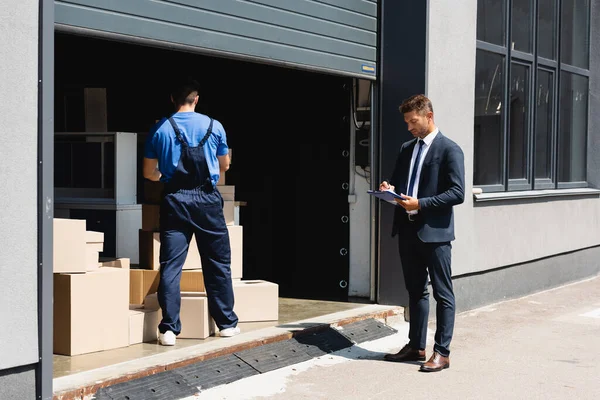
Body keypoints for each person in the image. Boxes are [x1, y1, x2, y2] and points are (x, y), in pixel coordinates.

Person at [143, 78, 239, 345]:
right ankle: (227, 324)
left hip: (175, 199)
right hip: (207, 200)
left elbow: (148, 173)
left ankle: (169, 330)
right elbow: (225, 166)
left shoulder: (159, 129)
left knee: (172, 266)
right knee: (217, 263)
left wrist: (165, 174)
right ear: (196, 99)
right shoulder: (214, 125)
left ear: (172, 99)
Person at [380, 94, 464, 372]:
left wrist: (422, 204)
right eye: (406, 122)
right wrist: (387, 189)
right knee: (415, 292)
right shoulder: (407, 148)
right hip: (407, 230)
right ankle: (416, 346)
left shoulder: (450, 149)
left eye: (413, 121)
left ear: (429, 116)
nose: (409, 127)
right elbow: (400, 182)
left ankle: (442, 352)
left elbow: (457, 192)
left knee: (443, 294)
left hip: (436, 234)